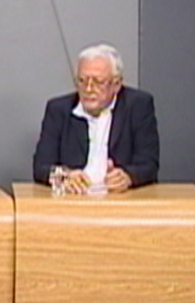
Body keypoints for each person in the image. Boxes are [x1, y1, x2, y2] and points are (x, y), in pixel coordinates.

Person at [32, 43, 159, 194]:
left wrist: (128, 177)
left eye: (98, 82)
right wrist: (65, 176)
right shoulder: (59, 110)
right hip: (74, 198)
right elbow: (40, 167)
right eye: (82, 81)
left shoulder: (138, 106)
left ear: (117, 84)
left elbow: (149, 164)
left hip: (119, 199)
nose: (88, 89)